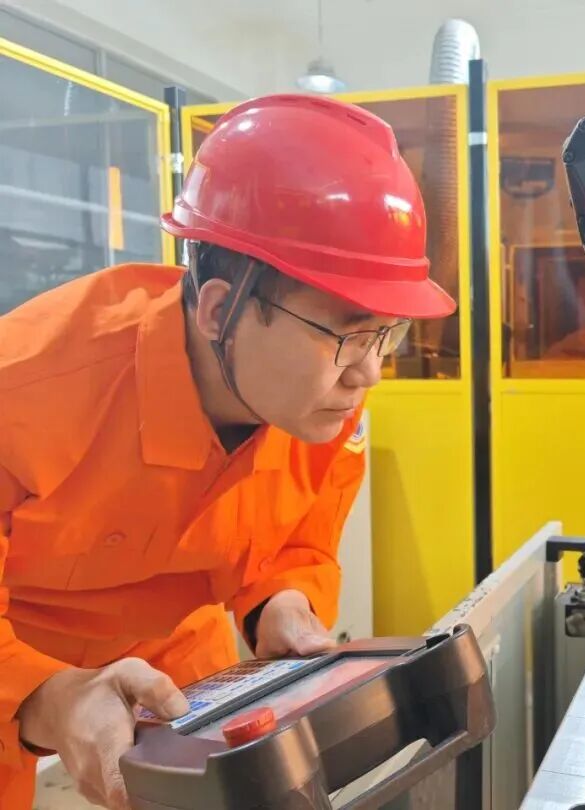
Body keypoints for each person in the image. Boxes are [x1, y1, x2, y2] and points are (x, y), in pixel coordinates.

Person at [0, 94, 454, 810]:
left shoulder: (321, 405)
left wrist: (281, 603)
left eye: (386, 334)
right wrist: (49, 697)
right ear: (219, 310)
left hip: (180, 666)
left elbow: (299, 542)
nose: (368, 373)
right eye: (347, 333)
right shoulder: (25, 391)